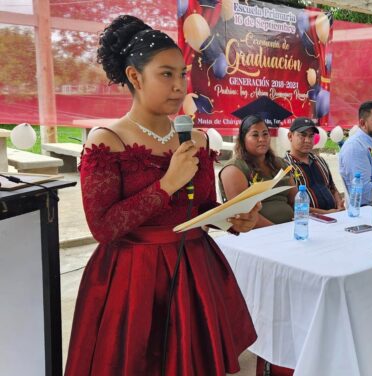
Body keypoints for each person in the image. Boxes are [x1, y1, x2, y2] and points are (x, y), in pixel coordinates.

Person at [65, 15, 258, 375]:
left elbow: (197, 208)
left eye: (182, 74)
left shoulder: (195, 139)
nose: (179, 85)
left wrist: (232, 218)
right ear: (135, 77)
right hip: (133, 279)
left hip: (195, 272)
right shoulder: (107, 139)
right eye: (166, 74)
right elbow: (103, 228)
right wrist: (166, 184)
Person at [219, 114, 297, 228]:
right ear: (243, 139)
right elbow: (245, 215)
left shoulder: (280, 163)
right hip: (258, 235)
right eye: (255, 135)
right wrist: (279, 232)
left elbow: (296, 201)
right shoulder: (233, 169)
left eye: (265, 134)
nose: (262, 139)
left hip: (291, 228)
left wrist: (322, 214)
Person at [284, 117, 344, 214]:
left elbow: (332, 187)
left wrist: (339, 203)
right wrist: (327, 213)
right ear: (290, 136)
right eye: (302, 135)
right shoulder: (286, 166)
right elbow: (293, 204)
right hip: (307, 222)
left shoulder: (320, 161)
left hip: (334, 218)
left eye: (311, 136)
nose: (307, 140)